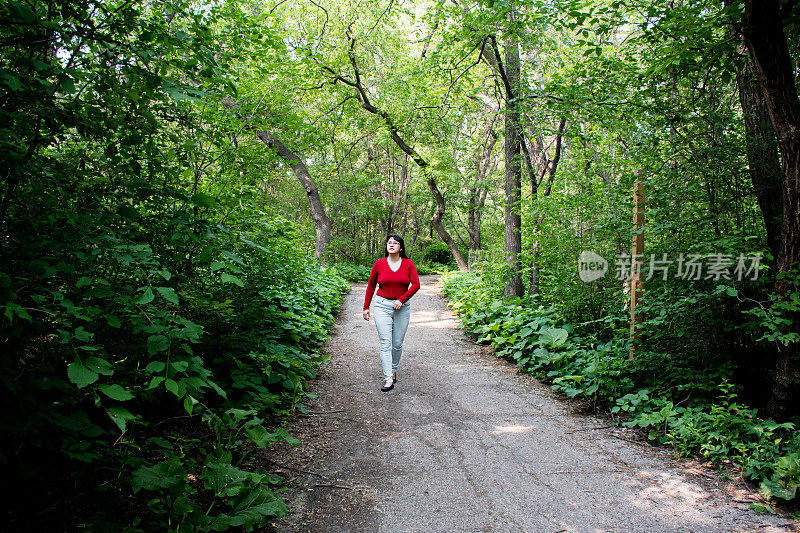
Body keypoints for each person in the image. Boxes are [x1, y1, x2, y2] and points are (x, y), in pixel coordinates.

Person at [363, 234, 420, 392]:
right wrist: (366, 307)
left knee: (397, 344)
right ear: (386, 246)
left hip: (402, 307)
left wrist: (402, 299)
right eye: (389, 242)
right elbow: (371, 286)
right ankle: (388, 378)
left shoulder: (408, 264)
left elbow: (416, 285)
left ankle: (394, 369)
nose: (392, 245)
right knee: (385, 343)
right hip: (382, 305)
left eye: (395, 243)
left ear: (401, 248)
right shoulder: (379, 264)